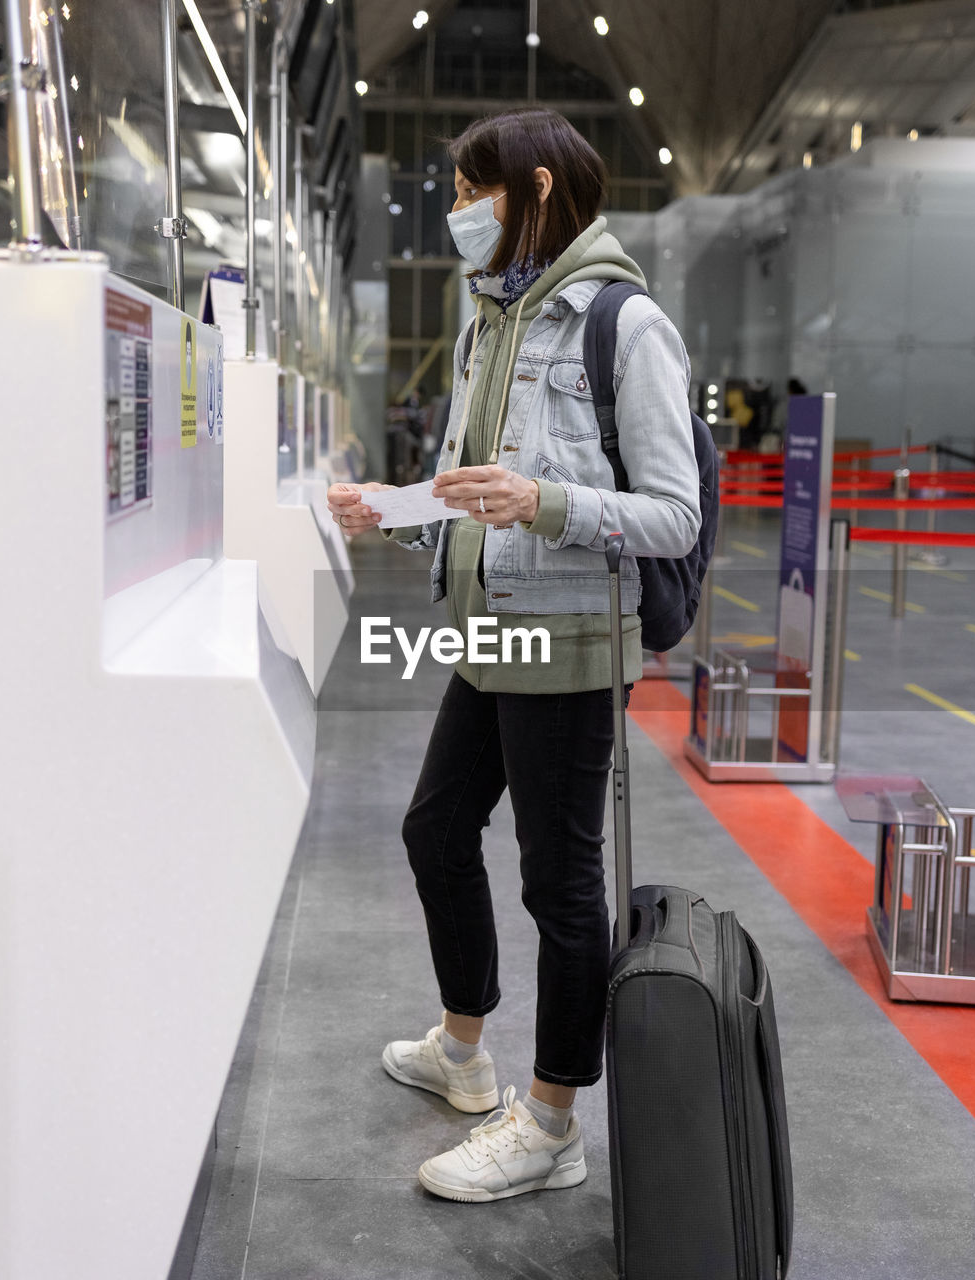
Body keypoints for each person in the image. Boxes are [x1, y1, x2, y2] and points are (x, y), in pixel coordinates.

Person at [326, 107, 700, 1204]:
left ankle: (548, 1121)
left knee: (559, 882)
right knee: (436, 826)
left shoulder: (624, 324)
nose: (452, 212)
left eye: (466, 190)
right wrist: (389, 510)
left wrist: (549, 502)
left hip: (574, 640)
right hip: (492, 627)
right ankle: (461, 1045)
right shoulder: (493, 320)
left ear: (534, 191)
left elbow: (674, 514)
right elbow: (470, 494)